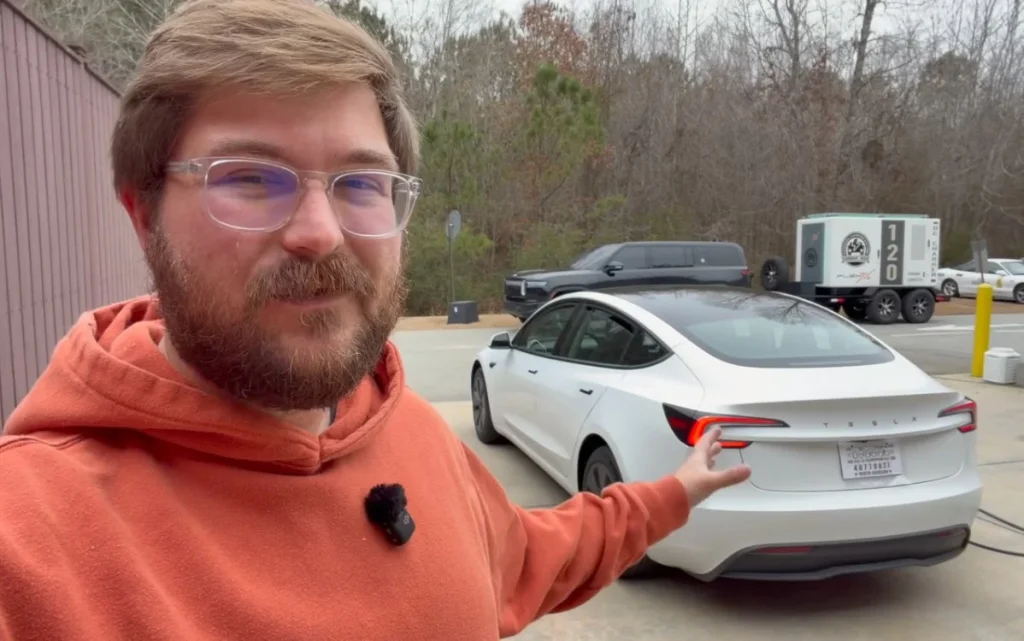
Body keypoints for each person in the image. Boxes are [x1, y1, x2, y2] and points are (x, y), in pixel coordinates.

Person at [0, 0, 751, 638]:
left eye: (361, 181)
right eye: (251, 178)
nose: (319, 231)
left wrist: (671, 494)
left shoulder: (415, 433)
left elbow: (529, 553)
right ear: (143, 213)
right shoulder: (36, 538)